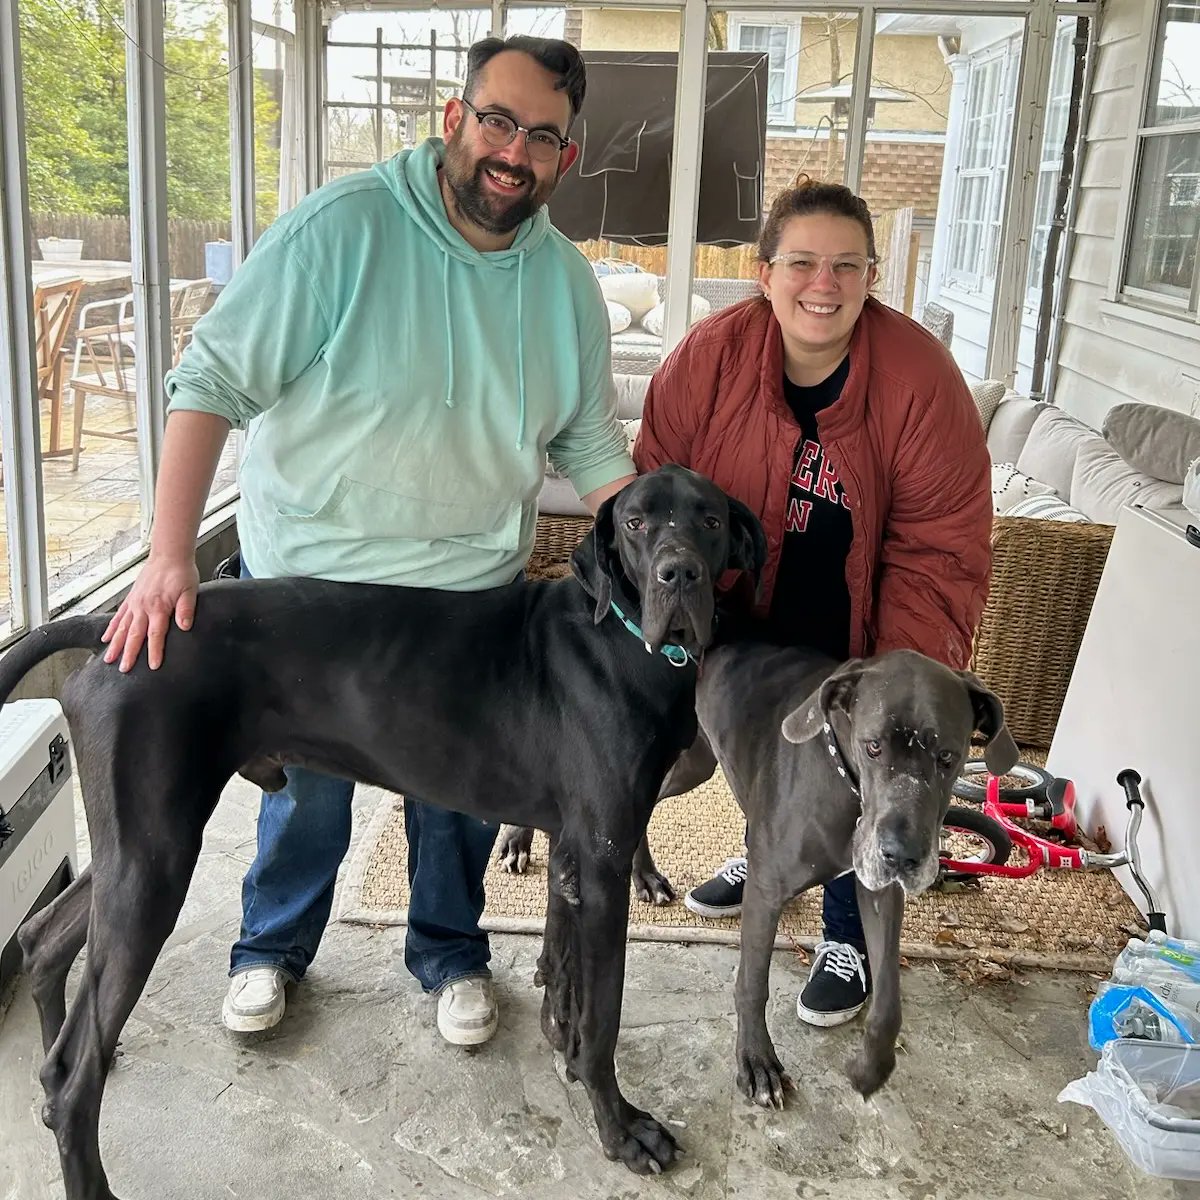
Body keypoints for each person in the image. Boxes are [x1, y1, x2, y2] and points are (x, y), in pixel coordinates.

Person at [99, 36, 636, 1045]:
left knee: (466, 801)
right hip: (314, 589)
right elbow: (210, 381)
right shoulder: (340, 230)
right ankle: (270, 950)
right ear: (455, 117)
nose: (515, 150)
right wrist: (169, 553)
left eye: (544, 136)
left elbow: (589, 441)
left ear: (568, 155)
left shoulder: (563, 281)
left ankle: (449, 953)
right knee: (305, 797)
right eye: (498, 120)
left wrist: (656, 551)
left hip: (472, 598)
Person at [633, 176, 991, 1027]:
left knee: (857, 767)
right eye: (800, 261)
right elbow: (658, 487)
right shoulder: (709, 357)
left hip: (856, 627)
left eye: (845, 265)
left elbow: (941, 545)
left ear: (872, 276)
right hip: (741, 612)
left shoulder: (920, 379)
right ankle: (770, 858)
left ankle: (846, 929)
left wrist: (894, 679)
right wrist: (672, 616)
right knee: (748, 749)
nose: (821, 284)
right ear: (764, 273)